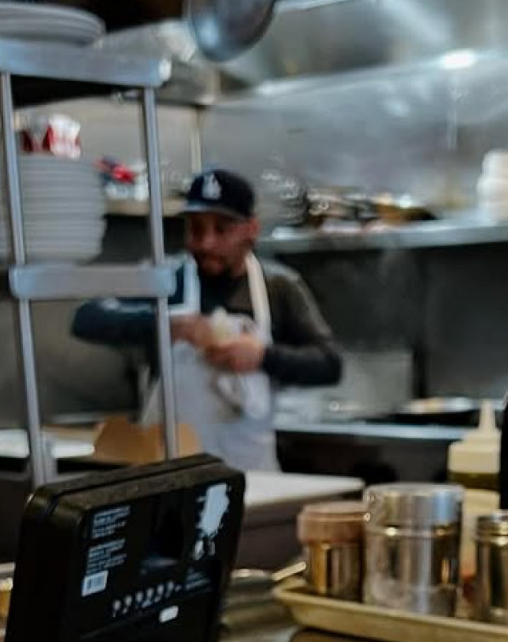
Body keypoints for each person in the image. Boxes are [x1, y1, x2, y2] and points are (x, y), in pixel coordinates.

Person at [72, 167, 342, 471]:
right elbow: (86, 317)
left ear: (250, 229)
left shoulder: (278, 286)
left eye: (221, 229)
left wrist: (263, 357)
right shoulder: (166, 280)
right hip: (171, 472)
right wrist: (167, 325)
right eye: (196, 228)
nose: (206, 243)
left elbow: (329, 364)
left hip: (251, 473)